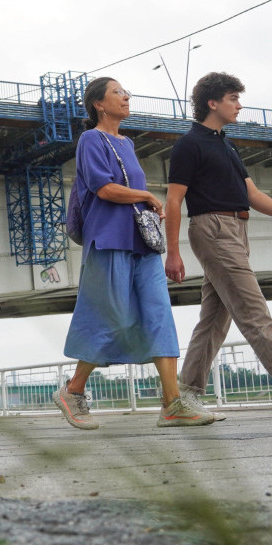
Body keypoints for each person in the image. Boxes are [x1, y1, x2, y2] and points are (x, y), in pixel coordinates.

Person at [164, 72, 272, 419]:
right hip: (213, 229)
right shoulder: (189, 145)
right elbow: (173, 201)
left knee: (214, 319)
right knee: (252, 309)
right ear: (212, 102)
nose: (239, 105)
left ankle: (185, 396)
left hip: (236, 229)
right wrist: (173, 252)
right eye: (233, 98)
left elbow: (251, 194)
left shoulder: (226, 145)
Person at [53, 76, 215, 430]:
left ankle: (172, 404)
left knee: (160, 315)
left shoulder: (127, 143)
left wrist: (144, 203)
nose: (126, 97)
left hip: (142, 243)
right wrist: (144, 196)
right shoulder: (90, 139)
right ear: (98, 104)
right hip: (108, 241)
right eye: (117, 93)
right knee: (112, 318)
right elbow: (104, 188)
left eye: (126, 93)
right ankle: (73, 390)